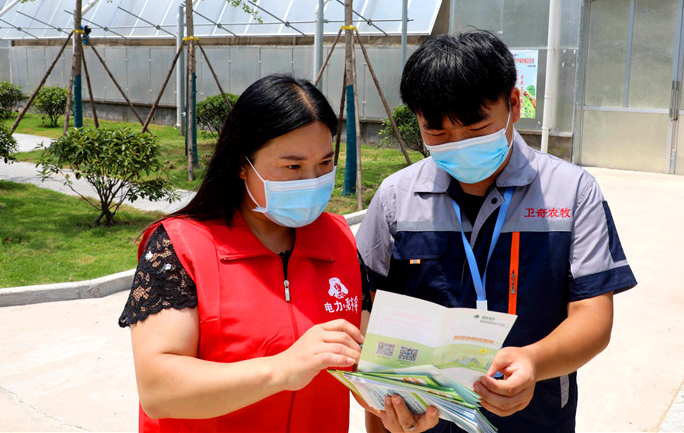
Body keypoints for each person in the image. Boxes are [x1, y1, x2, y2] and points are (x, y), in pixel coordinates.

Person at [356, 31, 637, 433]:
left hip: (535, 419)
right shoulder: (395, 198)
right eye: (437, 133)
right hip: (424, 422)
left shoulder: (572, 192)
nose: (458, 144)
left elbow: (593, 316)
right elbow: (367, 313)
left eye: (476, 128)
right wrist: (380, 412)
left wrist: (534, 361)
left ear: (514, 104)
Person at [118, 74, 372, 433]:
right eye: (293, 167)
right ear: (242, 164)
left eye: (325, 163)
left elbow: (366, 365)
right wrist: (281, 369)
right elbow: (159, 389)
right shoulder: (180, 247)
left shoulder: (340, 240)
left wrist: (404, 403)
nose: (312, 180)